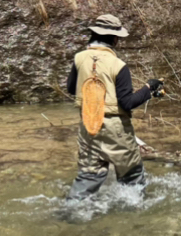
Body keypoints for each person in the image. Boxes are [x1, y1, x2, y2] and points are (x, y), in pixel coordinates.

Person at [65, 13, 164, 199]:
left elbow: (71, 89)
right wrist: (149, 88)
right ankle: (136, 218)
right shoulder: (118, 65)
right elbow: (127, 103)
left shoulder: (79, 59)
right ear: (114, 38)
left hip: (88, 127)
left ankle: (70, 216)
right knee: (132, 179)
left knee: (87, 178)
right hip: (116, 130)